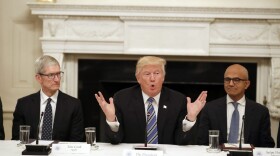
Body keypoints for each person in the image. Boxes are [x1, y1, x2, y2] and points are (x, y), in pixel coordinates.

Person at [95, 56, 207, 145]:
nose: (152, 78)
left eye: (157, 73)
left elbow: (182, 141)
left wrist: (191, 118)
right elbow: (115, 140)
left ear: (163, 77)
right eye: (147, 74)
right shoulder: (122, 98)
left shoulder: (178, 100)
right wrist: (111, 119)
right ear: (138, 78)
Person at [197, 64, 275, 147]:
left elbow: (266, 144)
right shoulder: (210, 108)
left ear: (246, 84)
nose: (230, 84)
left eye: (236, 80)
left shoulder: (260, 111)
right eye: (227, 79)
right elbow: (201, 142)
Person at [12, 55, 84, 142]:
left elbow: (76, 141)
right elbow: (17, 139)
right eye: (51, 75)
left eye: (58, 74)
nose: (57, 79)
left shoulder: (73, 105)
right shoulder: (23, 104)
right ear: (39, 78)